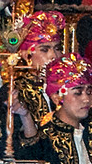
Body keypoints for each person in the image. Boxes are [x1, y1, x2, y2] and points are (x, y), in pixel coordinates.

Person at [6, 10, 68, 153]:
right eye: (44, 50)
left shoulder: (69, 88)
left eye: (57, 49)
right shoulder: (15, 90)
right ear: (26, 54)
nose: (54, 56)